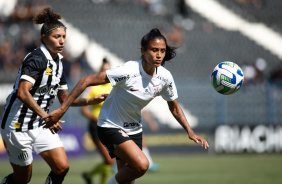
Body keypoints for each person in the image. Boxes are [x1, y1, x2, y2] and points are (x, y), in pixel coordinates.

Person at [43, 28, 209, 184]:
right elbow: (86, 81)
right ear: (143, 51)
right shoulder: (128, 70)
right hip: (110, 125)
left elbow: (174, 107)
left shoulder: (165, 77)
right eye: (154, 50)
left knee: (128, 180)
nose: (159, 55)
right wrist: (61, 110)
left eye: (162, 51)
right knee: (142, 165)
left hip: (134, 129)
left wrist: (189, 131)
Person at [0, 7, 107, 184]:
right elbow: (22, 92)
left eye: (64, 37)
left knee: (62, 167)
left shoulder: (58, 62)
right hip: (17, 126)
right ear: (44, 37)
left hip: (40, 123)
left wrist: (89, 100)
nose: (61, 41)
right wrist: (47, 116)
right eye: (57, 37)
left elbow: (65, 99)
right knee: (22, 179)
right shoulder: (36, 58)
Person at [81, 58, 115, 184]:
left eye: (108, 70)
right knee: (109, 160)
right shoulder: (93, 87)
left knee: (111, 161)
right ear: (100, 71)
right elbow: (83, 110)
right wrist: (94, 118)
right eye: (104, 70)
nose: (106, 73)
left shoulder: (114, 86)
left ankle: (89, 175)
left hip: (111, 126)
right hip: (96, 126)